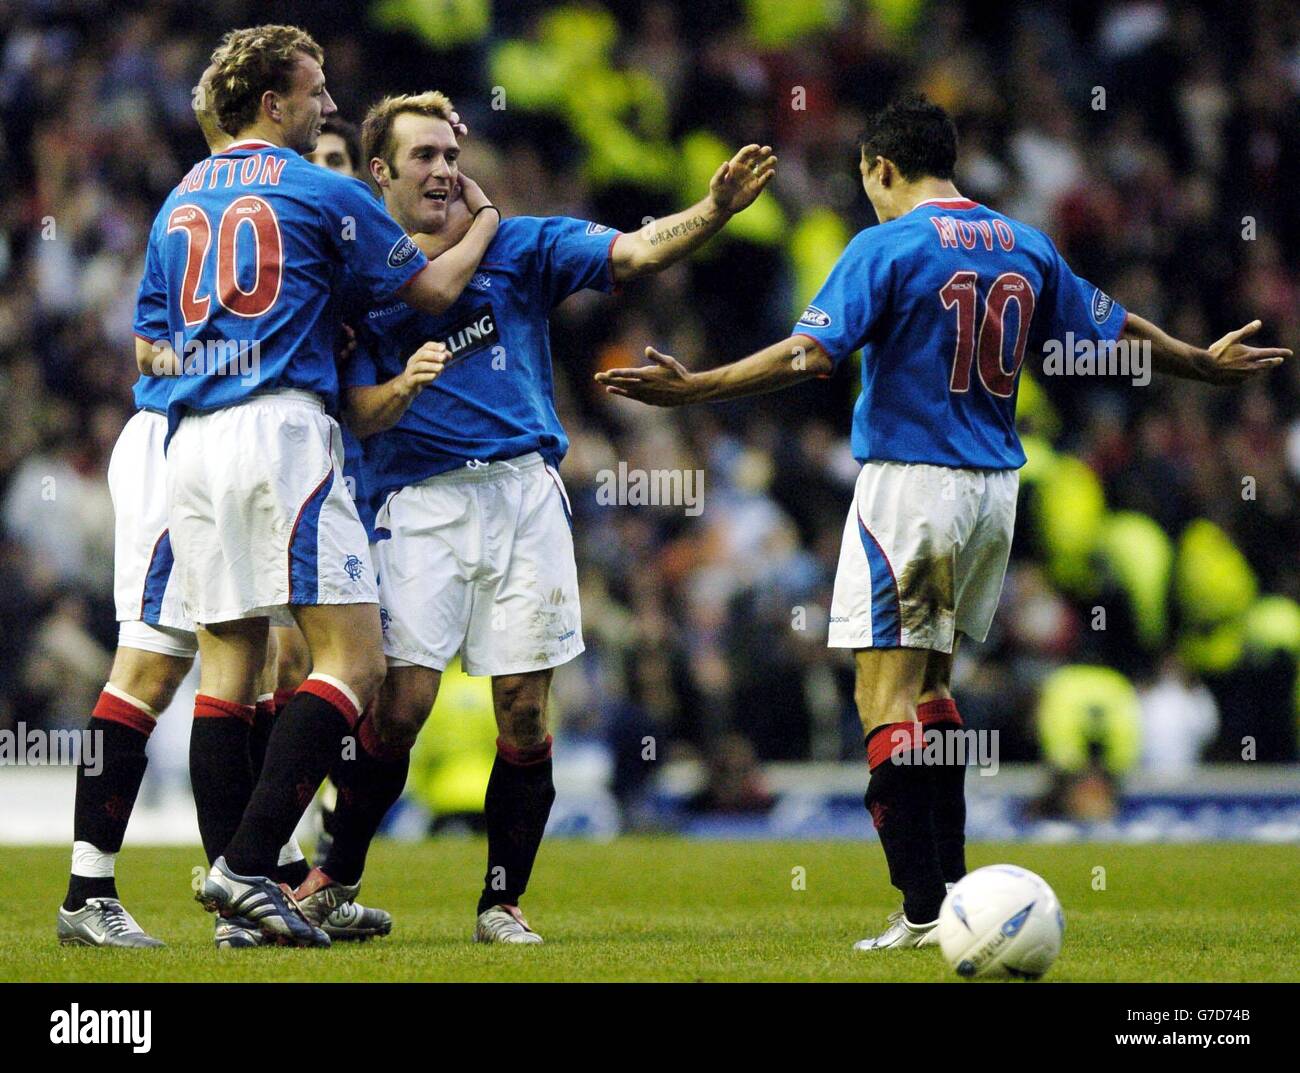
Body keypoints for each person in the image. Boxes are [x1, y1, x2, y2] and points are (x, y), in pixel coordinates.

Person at [595, 94, 1288, 950]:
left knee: (880, 696)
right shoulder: (1021, 242)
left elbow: (812, 352)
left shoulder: (885, 243)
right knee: (931, 693)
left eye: (869, 184)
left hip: (911, 486)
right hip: (994, 491)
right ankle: (953, 894)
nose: (869, 198)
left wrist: (696, 385)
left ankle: (923, 907)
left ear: (881, 168)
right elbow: (1110, 329)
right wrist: (1198, 363)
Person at [312, 89, 775, 943]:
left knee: (524, 709)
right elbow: (351, 406)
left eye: (452, 156)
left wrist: (710, 210)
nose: (445, 170)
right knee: (401, 705)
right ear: (380, 171)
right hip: (416, 500)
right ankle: (333, 879)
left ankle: (500, 900)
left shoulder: (522, 246)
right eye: (425, 157)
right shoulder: (358, 278)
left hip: (525, 492)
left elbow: (633, 255)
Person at [135, 25, 499, 946]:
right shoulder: (318, 187)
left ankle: (242, 912)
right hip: (279, 432)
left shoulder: (177, 201)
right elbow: (430, 290)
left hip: (190, 436)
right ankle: (248, 866)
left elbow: (151, 338)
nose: (329, 106)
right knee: (356, 657)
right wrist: (488, 218)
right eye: (317, 90)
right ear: (273, 102)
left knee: (229, 667)